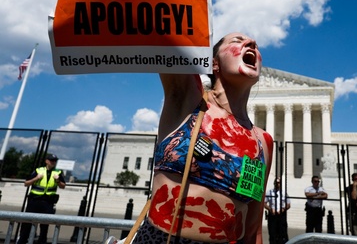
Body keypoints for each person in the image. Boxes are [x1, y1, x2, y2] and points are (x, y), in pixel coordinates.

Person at [108, 33, 273, 244]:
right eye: (236, 41)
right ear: (214, 64)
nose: (251, 44)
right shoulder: (187, 102)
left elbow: (252, 231)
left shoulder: (262, 142)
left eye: (255, 46)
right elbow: (167, 37)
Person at [18, 153, 66, 244]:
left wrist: (58, 180)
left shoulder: (58, 172)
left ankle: (42, 242)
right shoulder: (38, 170)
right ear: (46, 161)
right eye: (51, 160)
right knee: (27, 223)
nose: (53, 162)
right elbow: (26, 183)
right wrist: (36, 178)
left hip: (48, 202)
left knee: (44, 225)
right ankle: (22, 241)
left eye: (55, 161)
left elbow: (63, 186)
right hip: (34, 200)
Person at [264, 177, 291, 244]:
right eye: (276, 183)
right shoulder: (269, 192)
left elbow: (288, 204)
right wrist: (270, 209)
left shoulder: (284, 193)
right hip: (272, 214)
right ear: (274, 183)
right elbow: (264, 203)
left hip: (281, 215)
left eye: (279, 183)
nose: (277, 184)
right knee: (272, 233)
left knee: (282, 233)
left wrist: (283, 209)